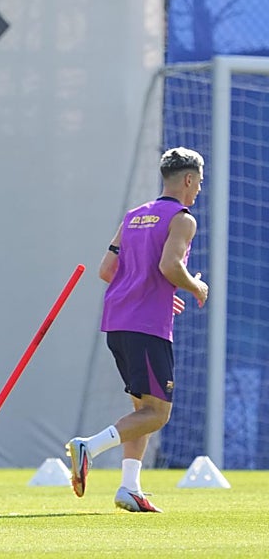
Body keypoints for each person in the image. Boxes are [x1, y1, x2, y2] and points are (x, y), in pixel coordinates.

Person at [66, 147, 208, 513]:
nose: (198, 192)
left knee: (141, 409)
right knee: (158, 413)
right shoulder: (183, 218)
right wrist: (194, 287)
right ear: (189, 179)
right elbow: (170, 265)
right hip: (147, 325)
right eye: (199, 184)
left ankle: (129, 487)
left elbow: (107, 269)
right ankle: (90, 446)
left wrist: (154, 292)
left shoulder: (134, 216)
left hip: (118, 321)